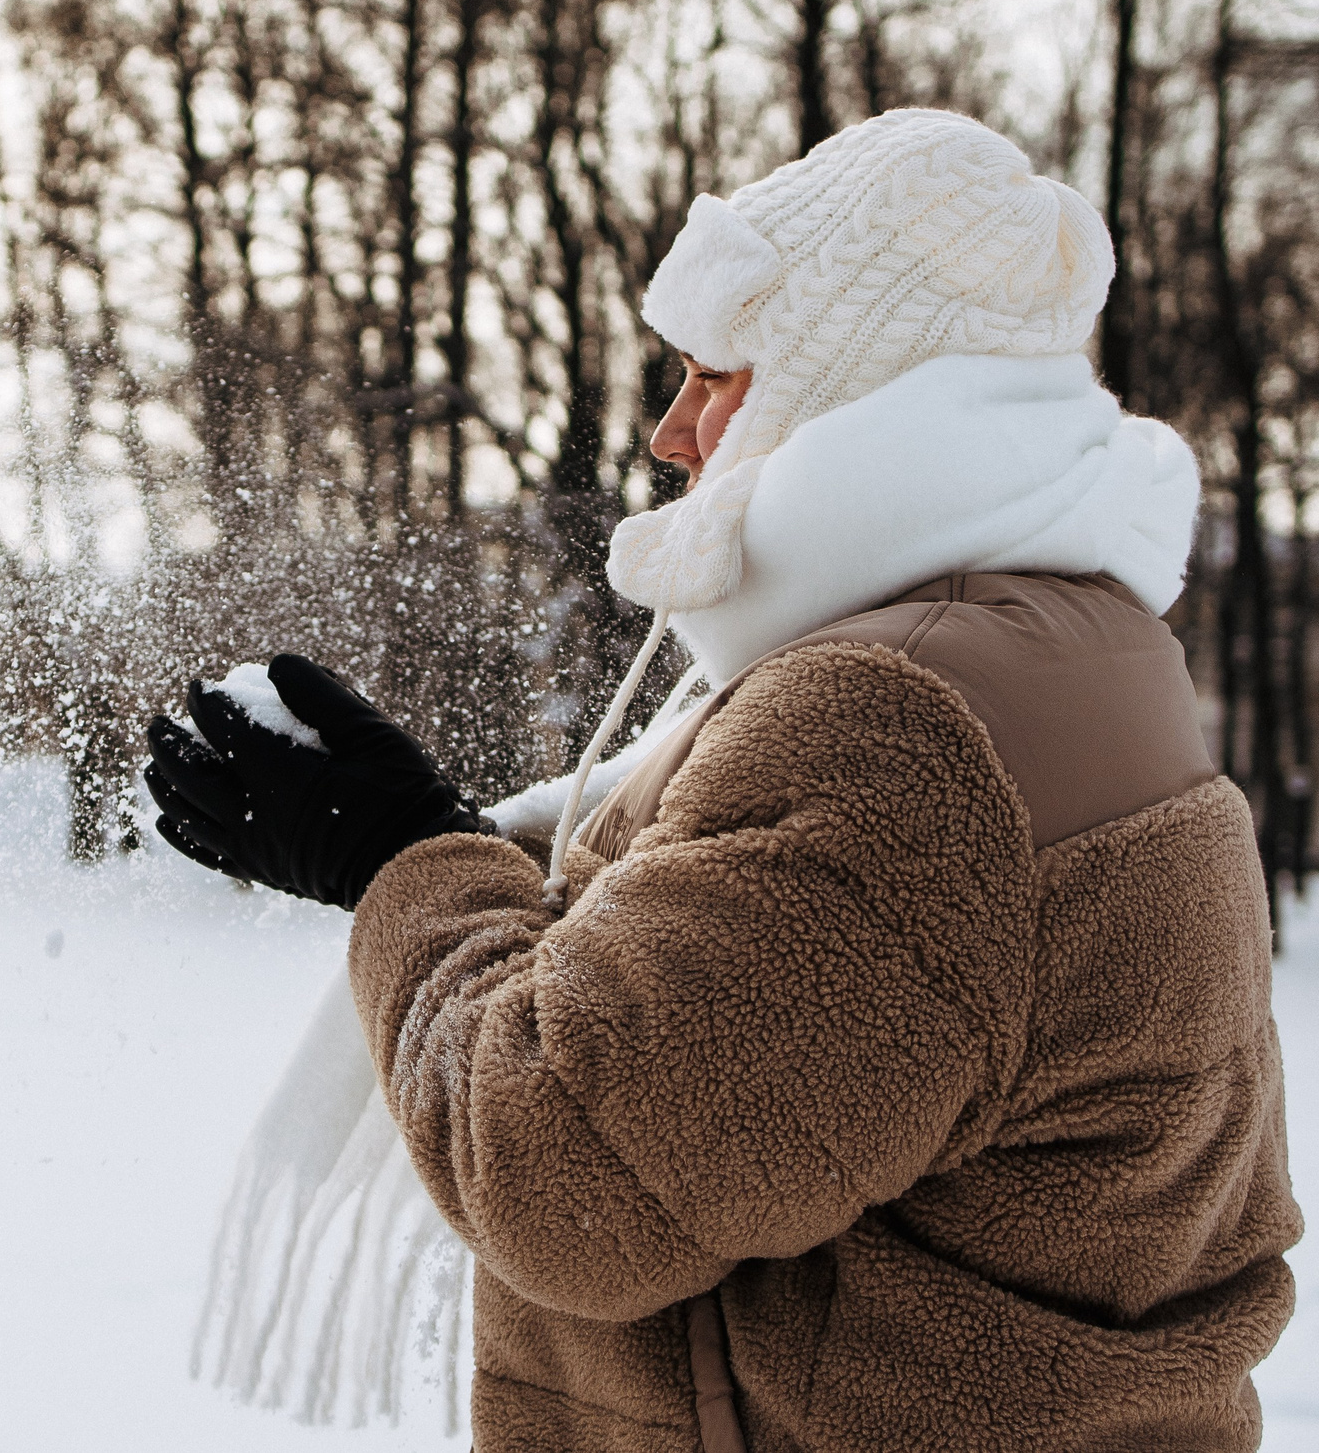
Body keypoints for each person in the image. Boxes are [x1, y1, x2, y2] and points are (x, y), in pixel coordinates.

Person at [149, 109, 1299, 1449]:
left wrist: (399, 860)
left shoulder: (890, 732)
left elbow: (574, 1177)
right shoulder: (1072, 642)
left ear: (851, 387)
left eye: (715, 377)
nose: (670, 431)